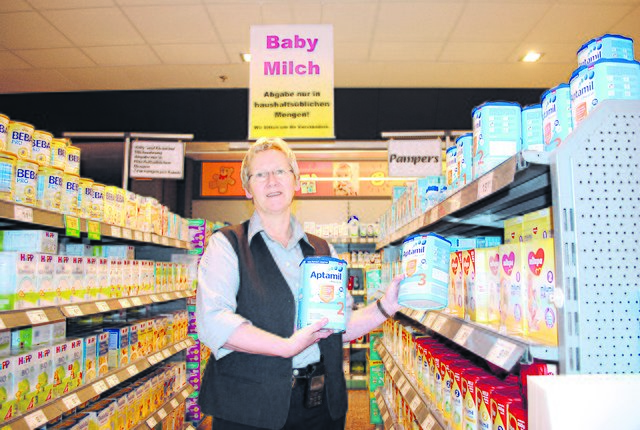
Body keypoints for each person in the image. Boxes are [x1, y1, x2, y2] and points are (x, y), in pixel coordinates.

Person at [196, 137, 404, 430]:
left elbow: (337, 327)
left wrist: (385, 307)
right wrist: (285, 347)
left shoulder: (323, 250)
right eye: (260, 174)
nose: (271, 181)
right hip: (249, 410)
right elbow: (212, 321)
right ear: (247, 189)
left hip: (318, 407)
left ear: (296, 182)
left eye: (281, 171)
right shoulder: (226, 245)